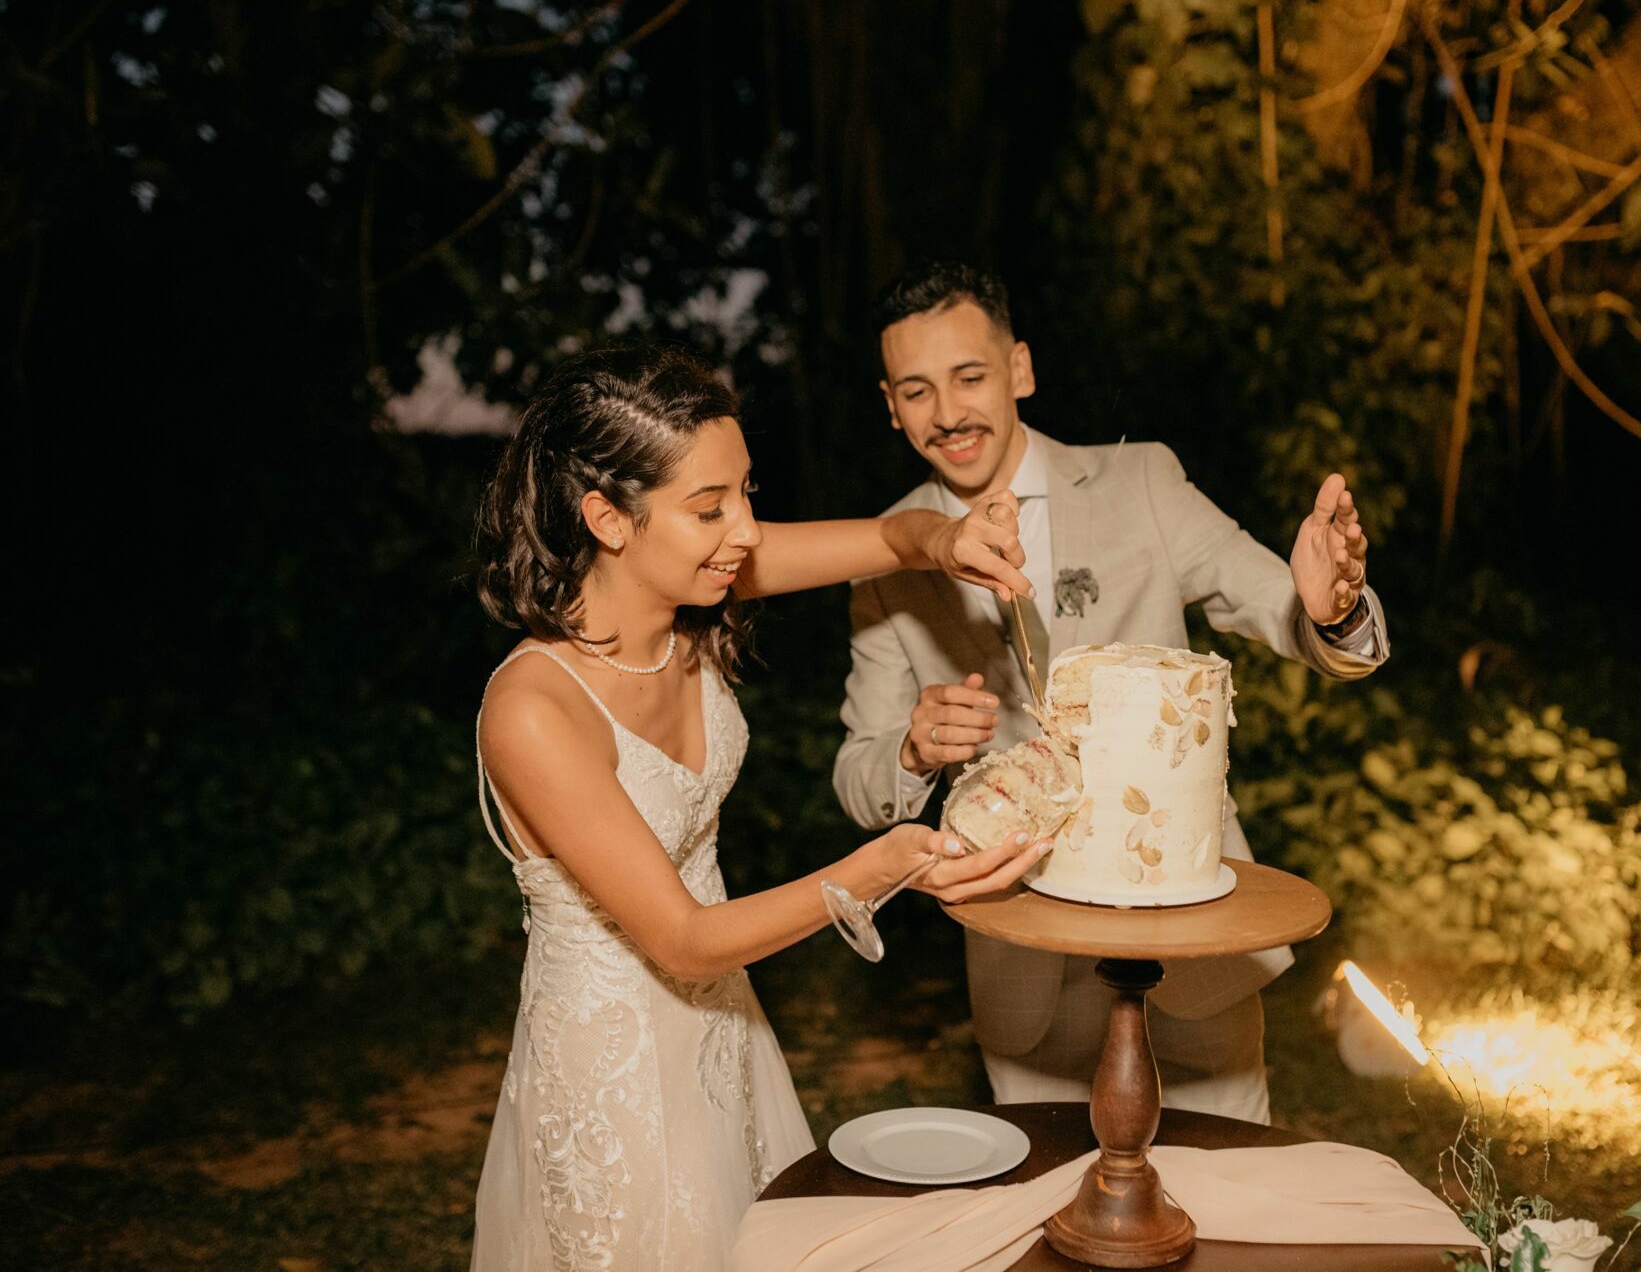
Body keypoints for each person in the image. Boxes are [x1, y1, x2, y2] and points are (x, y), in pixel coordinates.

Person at [466, 343, 1050, 1271]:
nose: (746, 530)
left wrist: (951, 540)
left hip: (726, 1024)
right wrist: (877, 868)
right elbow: (682, 939)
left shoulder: (693, 595)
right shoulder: (534, 710)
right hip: (614, 1064)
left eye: (746, 493)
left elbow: (895, 539)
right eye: (710, 508)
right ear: (607, 519)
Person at [832, 262, 1388, 1124]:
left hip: (1188, 935)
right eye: (917, 390)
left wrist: (1334, 608)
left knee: (1231, 1173)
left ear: (1019, 369)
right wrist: (911, 752)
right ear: (890, 405)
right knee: (1048, 1188)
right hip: (1021, 948)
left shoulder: (1142, 484)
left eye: (969, 377)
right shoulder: (885, 558)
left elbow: (1279, 603)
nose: (947, 413)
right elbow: (858, 776)